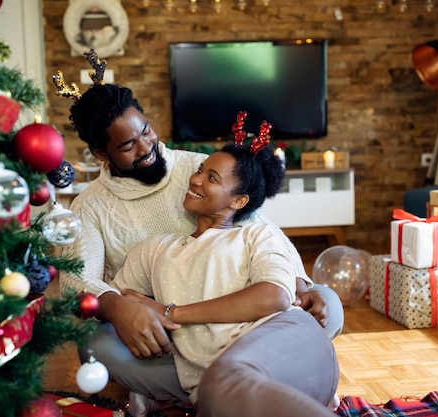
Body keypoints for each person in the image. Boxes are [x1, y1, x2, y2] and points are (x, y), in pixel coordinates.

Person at [56, 72, 344, 414]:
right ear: (101, 153)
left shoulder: (196, 165)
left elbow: (259, 226)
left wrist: (295, 281)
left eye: (145, 131)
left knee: (326, 304)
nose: (146, 148)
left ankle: (186, 393)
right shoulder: (92, 208)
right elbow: (75, 280)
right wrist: (118, 307)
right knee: (95, 345)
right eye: (128, 145)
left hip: (241, 307)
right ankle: (255, 381)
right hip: (166, 334)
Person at [109, 141, 339, 416]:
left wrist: (171, 312)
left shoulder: (256, 235)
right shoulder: (155, 249)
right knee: (214, 395)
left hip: (289, 342)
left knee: (223, 385)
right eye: (200, 170)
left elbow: (275, 296)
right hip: (218, 384)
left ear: (238, 201)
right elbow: (113, 297)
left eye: (212, 178)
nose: (195, 179)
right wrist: (130, 309)